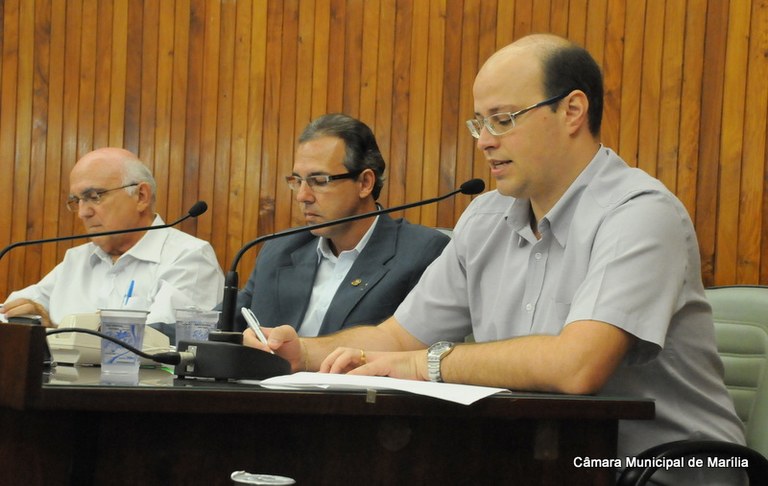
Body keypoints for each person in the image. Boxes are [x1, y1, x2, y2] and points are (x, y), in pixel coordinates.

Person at [244, 35, 746, 481]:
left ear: (572, 110)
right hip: (532, 458)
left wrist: (427, 365)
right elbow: (397, 337)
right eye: (478, 123)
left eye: (503, 119)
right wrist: (304, 353)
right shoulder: (485, 218)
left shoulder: (639, 214)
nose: (484, 140)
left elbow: (578, 366)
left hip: (656, 467)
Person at [227, 113, 450, 336]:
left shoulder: (421, 253)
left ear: (365, 183)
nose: (302, 196)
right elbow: (224, 324)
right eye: (297, 181)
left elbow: (421, 349)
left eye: (319, 181)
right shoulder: (280, 249)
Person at [2, 147, 224, 332]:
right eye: (76, 201)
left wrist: (51, 331)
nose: (82, 213)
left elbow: (156, 344)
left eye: (94, 197)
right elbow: (11, 312)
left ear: (141, 196)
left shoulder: (189, 257)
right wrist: (26, 316)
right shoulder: (77, 259)